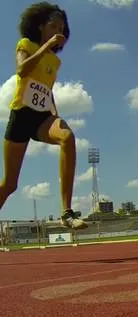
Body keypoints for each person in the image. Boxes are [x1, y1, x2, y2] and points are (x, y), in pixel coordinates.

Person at [1, 2, 86, 229]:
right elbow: (22, 70)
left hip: (42, 117)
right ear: (40, 26)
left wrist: (55, 114)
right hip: (21, 116)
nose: (58, 31)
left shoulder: (54, 61)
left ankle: (66, 212)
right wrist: (45, 46)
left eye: (61, 29)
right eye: (53, 26)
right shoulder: (26, 44)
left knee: (67, 137)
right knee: (9, 185)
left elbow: (46, 90)